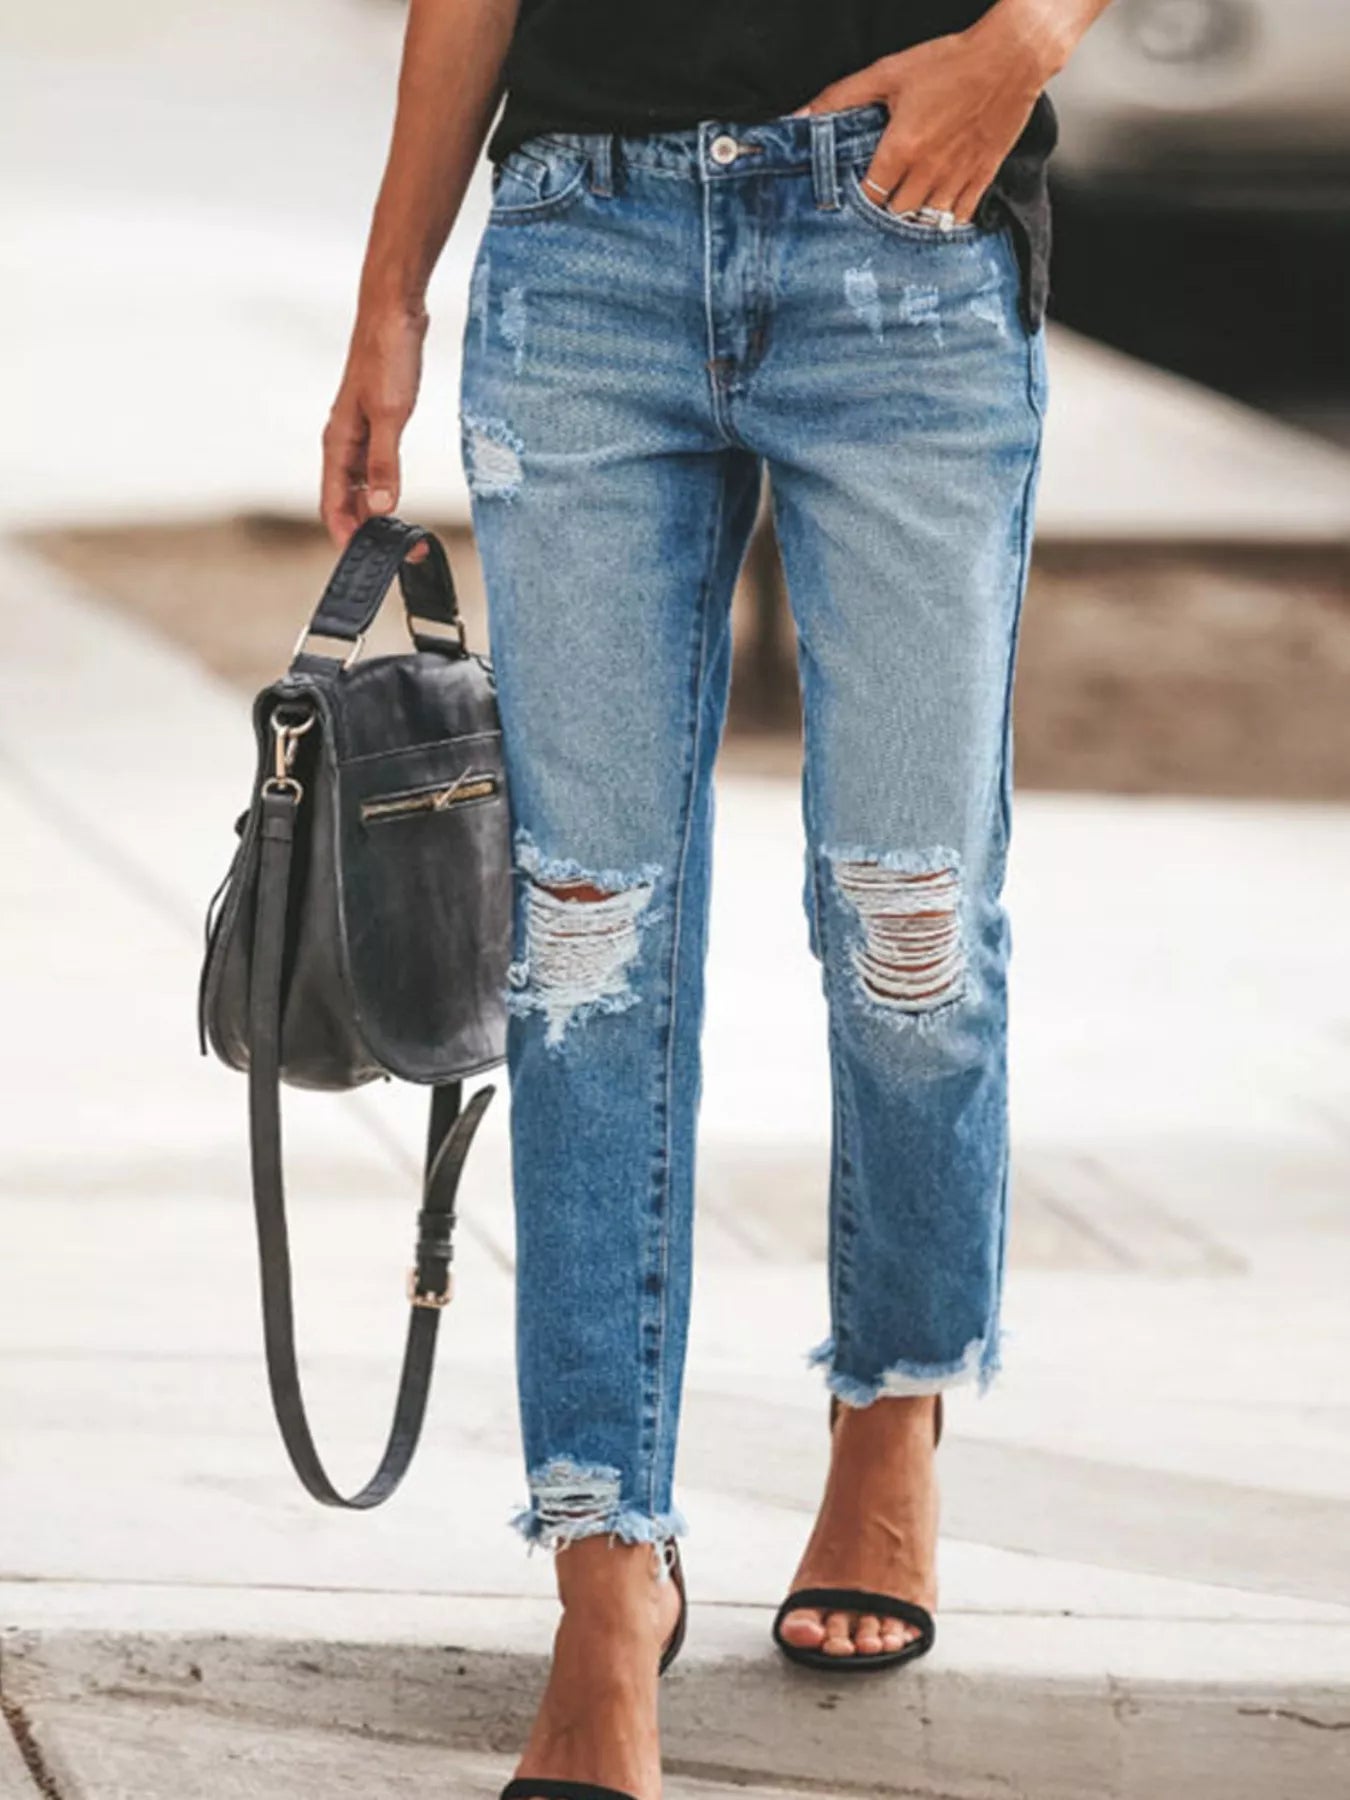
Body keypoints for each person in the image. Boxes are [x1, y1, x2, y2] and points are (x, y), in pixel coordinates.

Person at [321, 4, 1113, 1796]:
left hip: (906, 228)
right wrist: (392, 287)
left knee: (908, 926)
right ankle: (607, 1570)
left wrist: (1028, 39)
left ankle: (889, 1404)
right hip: (582, 243)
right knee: (584, 946)